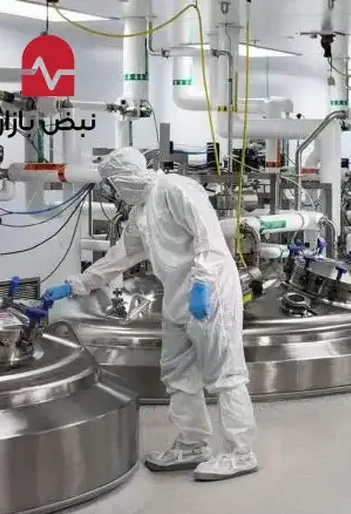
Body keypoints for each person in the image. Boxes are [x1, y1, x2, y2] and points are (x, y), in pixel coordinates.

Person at [43, 147, 258, 482]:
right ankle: (193, 443)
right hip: (177, 295)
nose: (115, 191)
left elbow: (208, 237)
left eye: (115, 183)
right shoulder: (141, 212)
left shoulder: (175, 189)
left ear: (127, 176)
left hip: (212, 291)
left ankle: (240, 451)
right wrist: (77, 285)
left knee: (224, 373)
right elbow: (121, 256)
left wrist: (202, 284)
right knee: (177, 372)